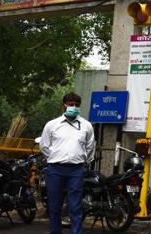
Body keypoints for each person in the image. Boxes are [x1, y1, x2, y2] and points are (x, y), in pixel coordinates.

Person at [40, 92, 95, 234]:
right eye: (71, 104)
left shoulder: (86, 126)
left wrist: (82, 160)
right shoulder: (52, 125)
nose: (74, 107)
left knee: (75, 206)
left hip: (76, 171)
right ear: (64, 105)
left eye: (77, 105)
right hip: (55, 170)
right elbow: (44, 146)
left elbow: (90, 147)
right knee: (54, 206)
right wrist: (55, 157)